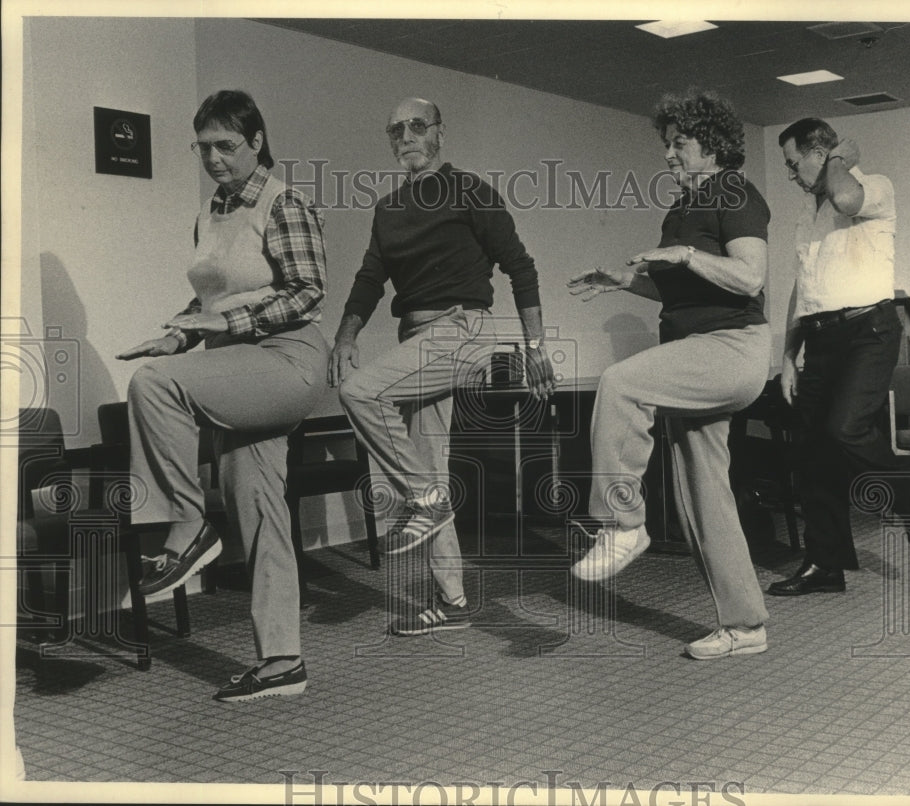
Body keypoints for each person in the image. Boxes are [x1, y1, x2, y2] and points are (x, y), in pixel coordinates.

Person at [117, 90, 328, 701]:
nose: (212, 157)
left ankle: (187, 525)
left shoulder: (284, 201)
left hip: (285, 361)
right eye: (202, 146)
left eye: (225, 145)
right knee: (259, 509)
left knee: (152, 388)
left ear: (256, 142)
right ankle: (283, 663)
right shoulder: (212, 210)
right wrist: (179, 334)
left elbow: (309, 291)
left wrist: (225, 326)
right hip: (237, 368)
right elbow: (211, 303)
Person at [331, 97, 555, 636]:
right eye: (395, 130)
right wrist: (345, 335)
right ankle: (452, 601)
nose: (406, 136)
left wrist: (536, 346)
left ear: (439, 133)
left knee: (361, 393)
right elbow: (369, 279)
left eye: (416, 126)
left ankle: (424, 500)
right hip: (418, 338)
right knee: (427, 463)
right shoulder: (387, 209)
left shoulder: (471, 191)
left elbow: (520, 268)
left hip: (463, 331)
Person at [567, 90, 772, 660]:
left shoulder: (734, 192)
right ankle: (745, 624)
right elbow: (676, 285)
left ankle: (621, 521)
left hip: (730, 349)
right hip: (695, 352)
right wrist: (623, 280)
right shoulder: (681, 209)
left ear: (713, 144)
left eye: (679, 143)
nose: (669, 155)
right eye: (666, 145)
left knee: (621, 383)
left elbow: (749, 277)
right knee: (706, 495)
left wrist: (684, 254)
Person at [767, 118, 910, 596]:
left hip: (868, 330)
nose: (792, 174)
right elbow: (803, 287)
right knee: (813, 454)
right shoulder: (805, 214)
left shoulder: (872, 187)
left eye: (795, 164)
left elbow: (846, 199)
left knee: (844, 428)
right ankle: (824, 565)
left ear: (820, 152)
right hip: (820, 336)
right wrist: (789, 356)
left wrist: (838, 161)